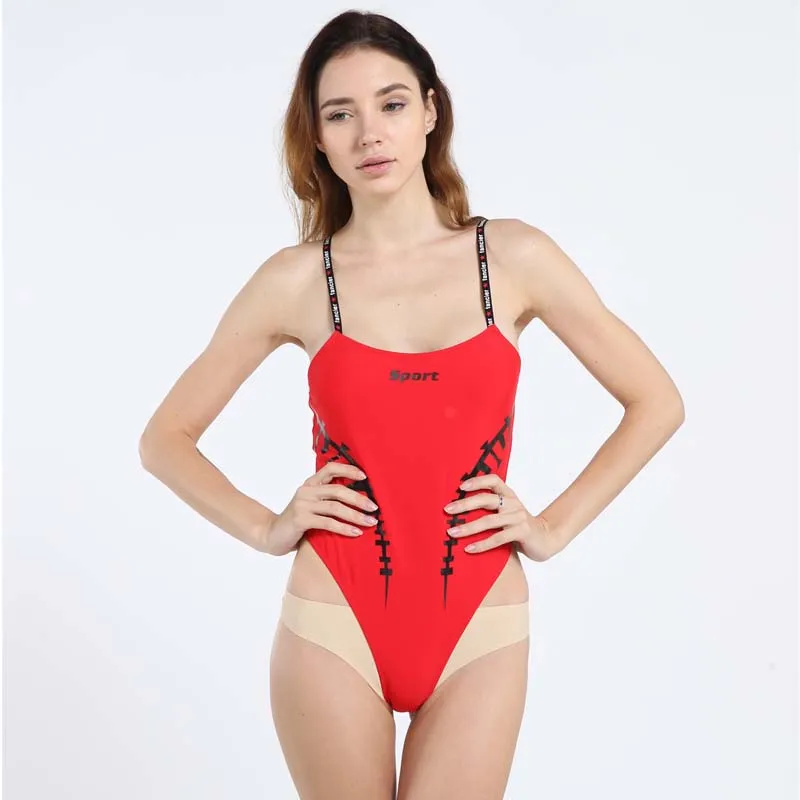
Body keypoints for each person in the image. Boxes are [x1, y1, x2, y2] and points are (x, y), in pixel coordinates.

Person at [139, 10, 685, 800]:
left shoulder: (513, 257)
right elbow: (165, 438)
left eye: (391, 104)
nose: (370, 132)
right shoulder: (297, 280)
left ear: (430, 111)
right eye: (340, 114)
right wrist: (266, 526)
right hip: (335, 615)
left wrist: (553, 528)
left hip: (480, 621)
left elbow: (656, 401)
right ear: (318, 139)